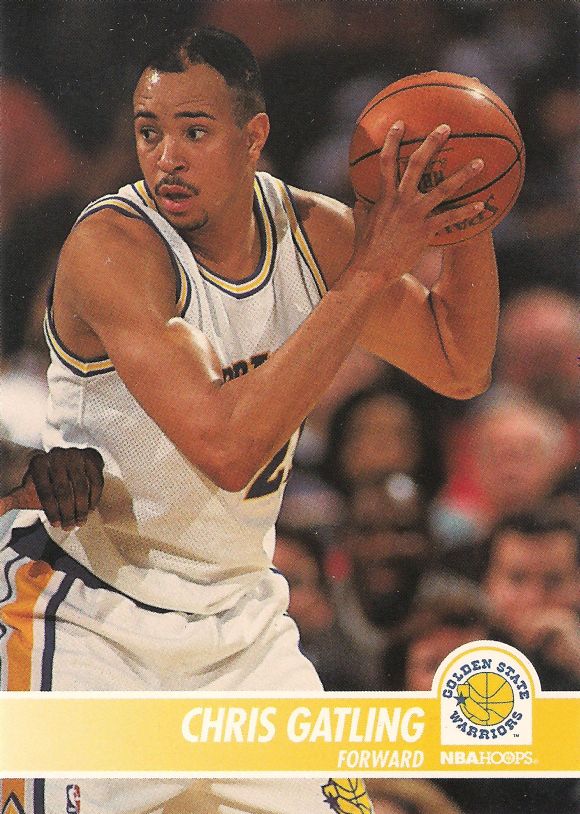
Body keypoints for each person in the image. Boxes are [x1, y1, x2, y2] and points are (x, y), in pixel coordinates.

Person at [0, 25, 499, 814]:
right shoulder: (113, 247)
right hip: (94, 620)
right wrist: (370, 272)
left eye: (194, 132)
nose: (166, 157)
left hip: (240, 627)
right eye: (149, 132)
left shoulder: (313, 233)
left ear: (253, 136)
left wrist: (465, 214)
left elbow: (459, 363)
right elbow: (226, 448)